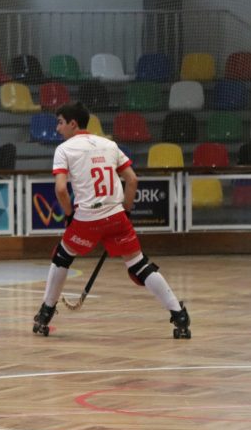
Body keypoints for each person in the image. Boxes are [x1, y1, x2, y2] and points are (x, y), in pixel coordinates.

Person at [32, 102, 190, 339]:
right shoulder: (110, 144)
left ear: (73, 124)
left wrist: (69, 215)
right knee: (139, 265)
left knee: (62, 257)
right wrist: (125, 211)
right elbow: (132, 180)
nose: (57, 128)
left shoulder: (64, 150)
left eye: (60, 122)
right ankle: (179, 316)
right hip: (116, 216)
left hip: (87, 218)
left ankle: (45, 313)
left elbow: (61, 190)